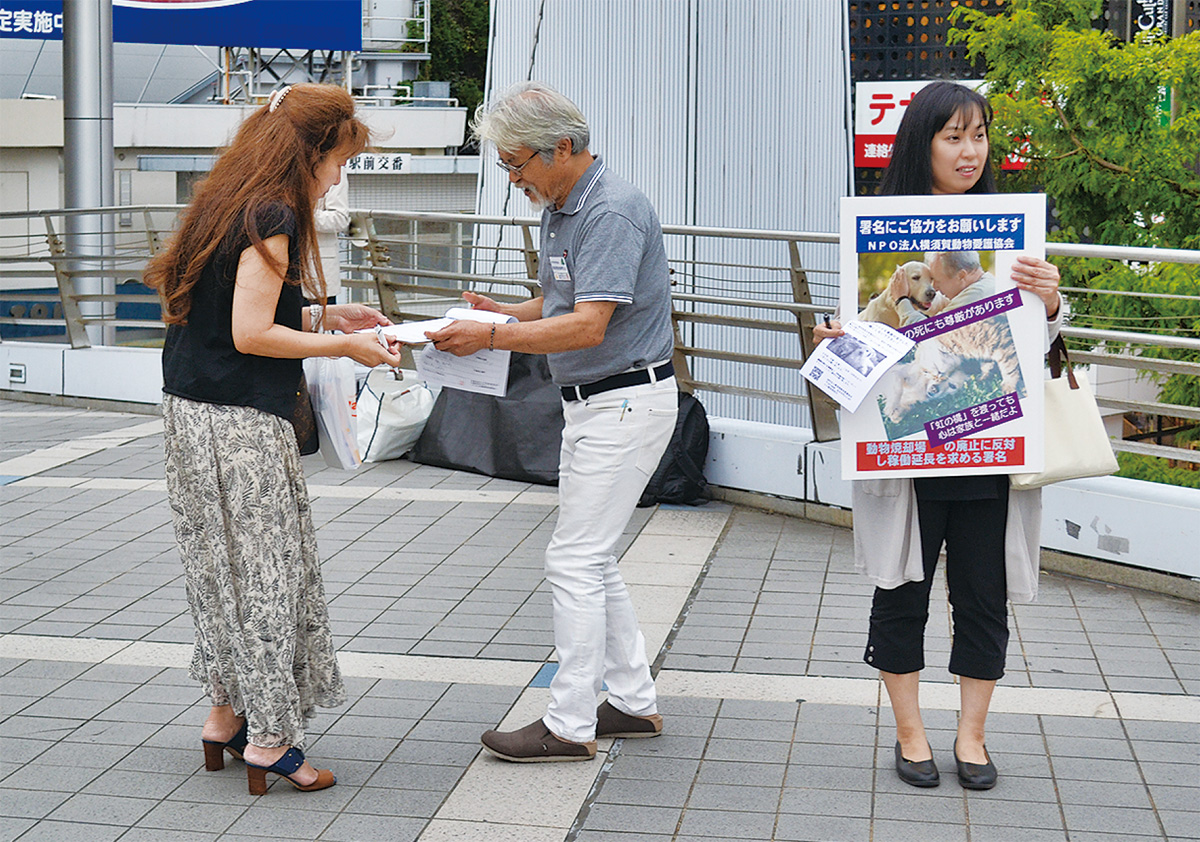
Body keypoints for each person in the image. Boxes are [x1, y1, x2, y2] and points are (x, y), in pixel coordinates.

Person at [143, 83, 403, 795]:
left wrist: (326, 316)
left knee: (217, 569)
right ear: (312, 153)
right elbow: (252, 333)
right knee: (267, 575)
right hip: (242, 426)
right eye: (339, 162)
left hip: (192, 414)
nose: (339, 177)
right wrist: (344, 350)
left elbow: (236, 317)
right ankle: (270, 741)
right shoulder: (275, 212)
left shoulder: (227, 199)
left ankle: (223, 715)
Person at [814, 81, 1064, 790]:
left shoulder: (1010, 235)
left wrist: (1049, 299)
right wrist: (836, 338)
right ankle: (911, 733)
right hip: (908, 460)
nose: (970, 150)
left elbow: (1037, 347)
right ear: (922, 142)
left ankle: (973, 738)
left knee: (983, 598)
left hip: (989, 453)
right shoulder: (879, 235)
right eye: (953, 135)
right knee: (902, 595)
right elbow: (853, 355)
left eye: (980, 135)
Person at [427, 81, 678, 762]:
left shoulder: (613, 211)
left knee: (573, 559)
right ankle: (632, 702)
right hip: (597, 402)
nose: (513, 180)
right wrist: (500, 313)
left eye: (516, 165)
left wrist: (493, 338)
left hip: (624, 397)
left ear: (561, 148)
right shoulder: (563, 207)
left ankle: (569, 723)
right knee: (592, 559)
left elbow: (590, 326)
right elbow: (560, 301)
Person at [892, 250, 995, 326]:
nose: (935, 288)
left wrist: (901, 300)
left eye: (938, 281)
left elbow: (925, 333)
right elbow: (946, 305)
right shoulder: (987, 283)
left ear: (961, 275)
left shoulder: (977, 297)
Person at [313, 174, 350, 304]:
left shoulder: (334, 168)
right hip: (283, 267)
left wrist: (303, 214)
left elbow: (340, 218)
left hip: (317, 269)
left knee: (323, 321)